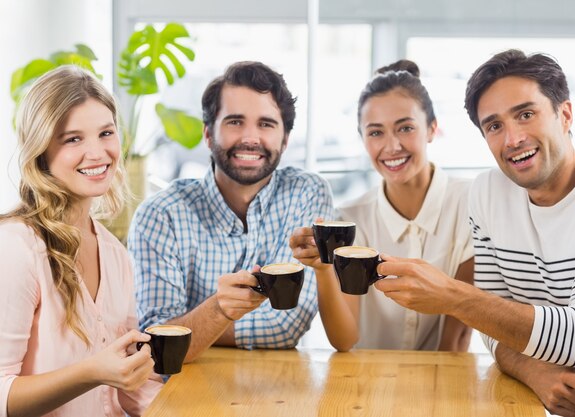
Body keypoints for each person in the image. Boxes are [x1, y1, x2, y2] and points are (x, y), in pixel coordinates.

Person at [371, 49, 575, 416]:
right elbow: (492, 328)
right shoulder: (487, 194)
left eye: (526, 114)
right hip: (532, 406)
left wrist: (453, 296)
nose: (512, 139)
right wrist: (533, 370)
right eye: (494, 126)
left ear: (565, 114)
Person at [128, 61, 334, 359]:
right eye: (235, 122)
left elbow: (287, 322)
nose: (250, 138)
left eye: (266, 124)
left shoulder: (306, 193)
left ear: (285, 140)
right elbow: (158, 344)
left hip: (280, 392)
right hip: (185, 396)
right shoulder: (161, 215)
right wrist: (217, 309)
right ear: (209, 134)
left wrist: (191, 328)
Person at [0, 66, 162, 417]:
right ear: (41, 150)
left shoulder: (115, 253)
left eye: (106, 133)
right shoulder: (16, 249)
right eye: (73, 139)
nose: (97, 153)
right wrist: (91, 373)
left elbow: (129, 389)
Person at [290, 60, 474, 352]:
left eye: (405, 128)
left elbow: (455, 341)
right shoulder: (351, 219)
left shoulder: (471, 204)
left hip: (442, 380)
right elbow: (344, 340)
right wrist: (322, 269)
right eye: (376, 132)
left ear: (432, 129)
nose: (391, 147)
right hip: (367, 385)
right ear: (362, 139)